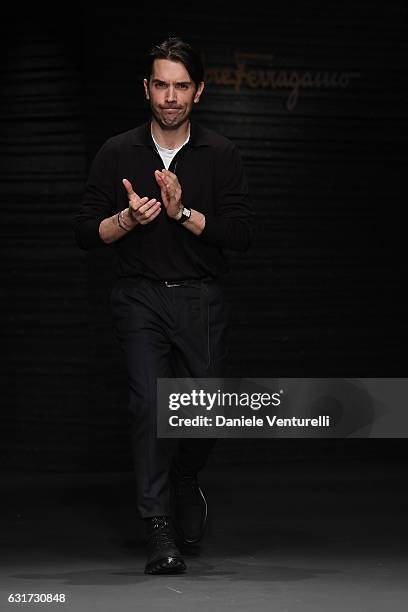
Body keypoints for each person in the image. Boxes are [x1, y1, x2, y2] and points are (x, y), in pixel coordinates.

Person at [73, 36, 253, 575]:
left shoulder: (219, 154)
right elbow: (85, 232)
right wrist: (128, 220)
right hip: (139, 298)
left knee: (207, 414)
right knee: (148, 407)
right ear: (146, 88)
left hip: (200, 296)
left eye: (180, 86)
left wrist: (180, 213)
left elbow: (241, 235)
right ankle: (158, 528)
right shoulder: (117, 152)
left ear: (198, 91)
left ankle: (184, 478)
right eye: (160, 85)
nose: (170, 96)